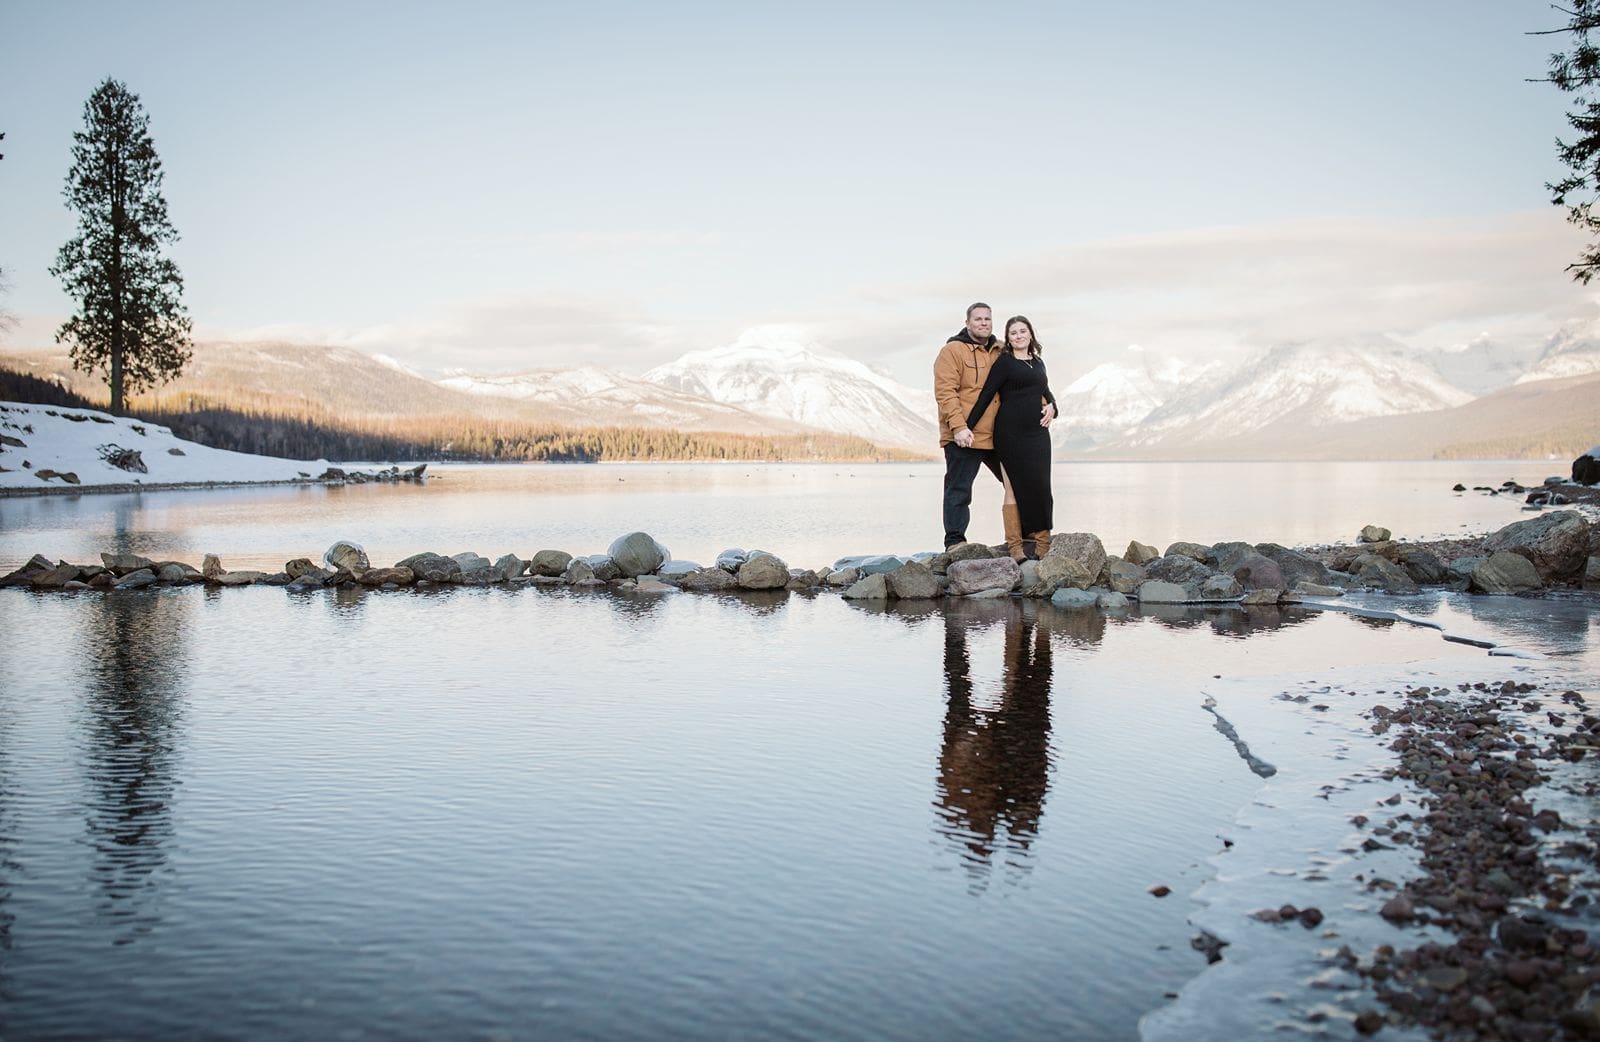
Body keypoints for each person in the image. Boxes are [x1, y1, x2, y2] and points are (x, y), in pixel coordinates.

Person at [935, 303, 1055, 550]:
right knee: (959, 489)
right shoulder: (952, 351)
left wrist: (1050, 404)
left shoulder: (1002, 350)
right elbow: (945, 392)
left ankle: (1026, 534)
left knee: (1021, 483)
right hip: (965, 434)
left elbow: (1026, 383)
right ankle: (955, 541)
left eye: (987, 319)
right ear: (967, 322)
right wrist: (958, 427)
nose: (983, 323)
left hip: (1000, 434)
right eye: (977, 319)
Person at [963, 315, 1056, 561]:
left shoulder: (1038, 363)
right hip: (1010, 434)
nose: (1018, 336)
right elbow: (986, 395)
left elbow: (1045, 392)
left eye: (1022, 331)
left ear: (1030, 334)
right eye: (1013, 333)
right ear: (1009, 337)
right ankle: (1015, 547)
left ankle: (1043, 544)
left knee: (1041, 486)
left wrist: (1053, 407)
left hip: (1038, 434)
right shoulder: (1004, 363)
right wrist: (966, 426)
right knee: (1012, 488)